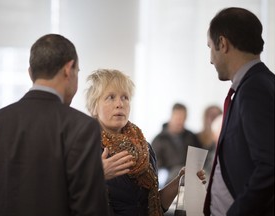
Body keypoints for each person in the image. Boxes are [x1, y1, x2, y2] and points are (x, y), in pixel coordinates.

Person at [0, 34, 109, 216]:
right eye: (78, 72)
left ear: (31, 73)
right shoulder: (81, 127)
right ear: (69, 69)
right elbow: (91, 209)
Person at [85, 69, 206, 216]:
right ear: (93, 106)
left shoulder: (144, 148)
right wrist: (97, 175)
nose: (119, 104)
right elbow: (66, 200)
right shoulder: (84, 148)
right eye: (110, 97)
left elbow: (154, 205)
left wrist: (180, 180)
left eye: (125, 97)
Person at [204, 7, 275, 216]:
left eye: (210, 48)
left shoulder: (255, 89)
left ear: (223, 44)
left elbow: (270, 165)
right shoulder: (260, 83)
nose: (210, 59)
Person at [151, 103, 201, 184]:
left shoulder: (191, 137)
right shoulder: (159, 140)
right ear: (171, 116)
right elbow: (155, 165)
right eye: (177, 118)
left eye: (182, 118)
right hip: (167, 176)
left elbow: (198, 159)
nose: (179, 121)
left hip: (189, 175)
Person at [196, 105, 222, 181]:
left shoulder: (225, 139)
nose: (214, 118)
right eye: (211, 115)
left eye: (217, 115)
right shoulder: (196, 137)